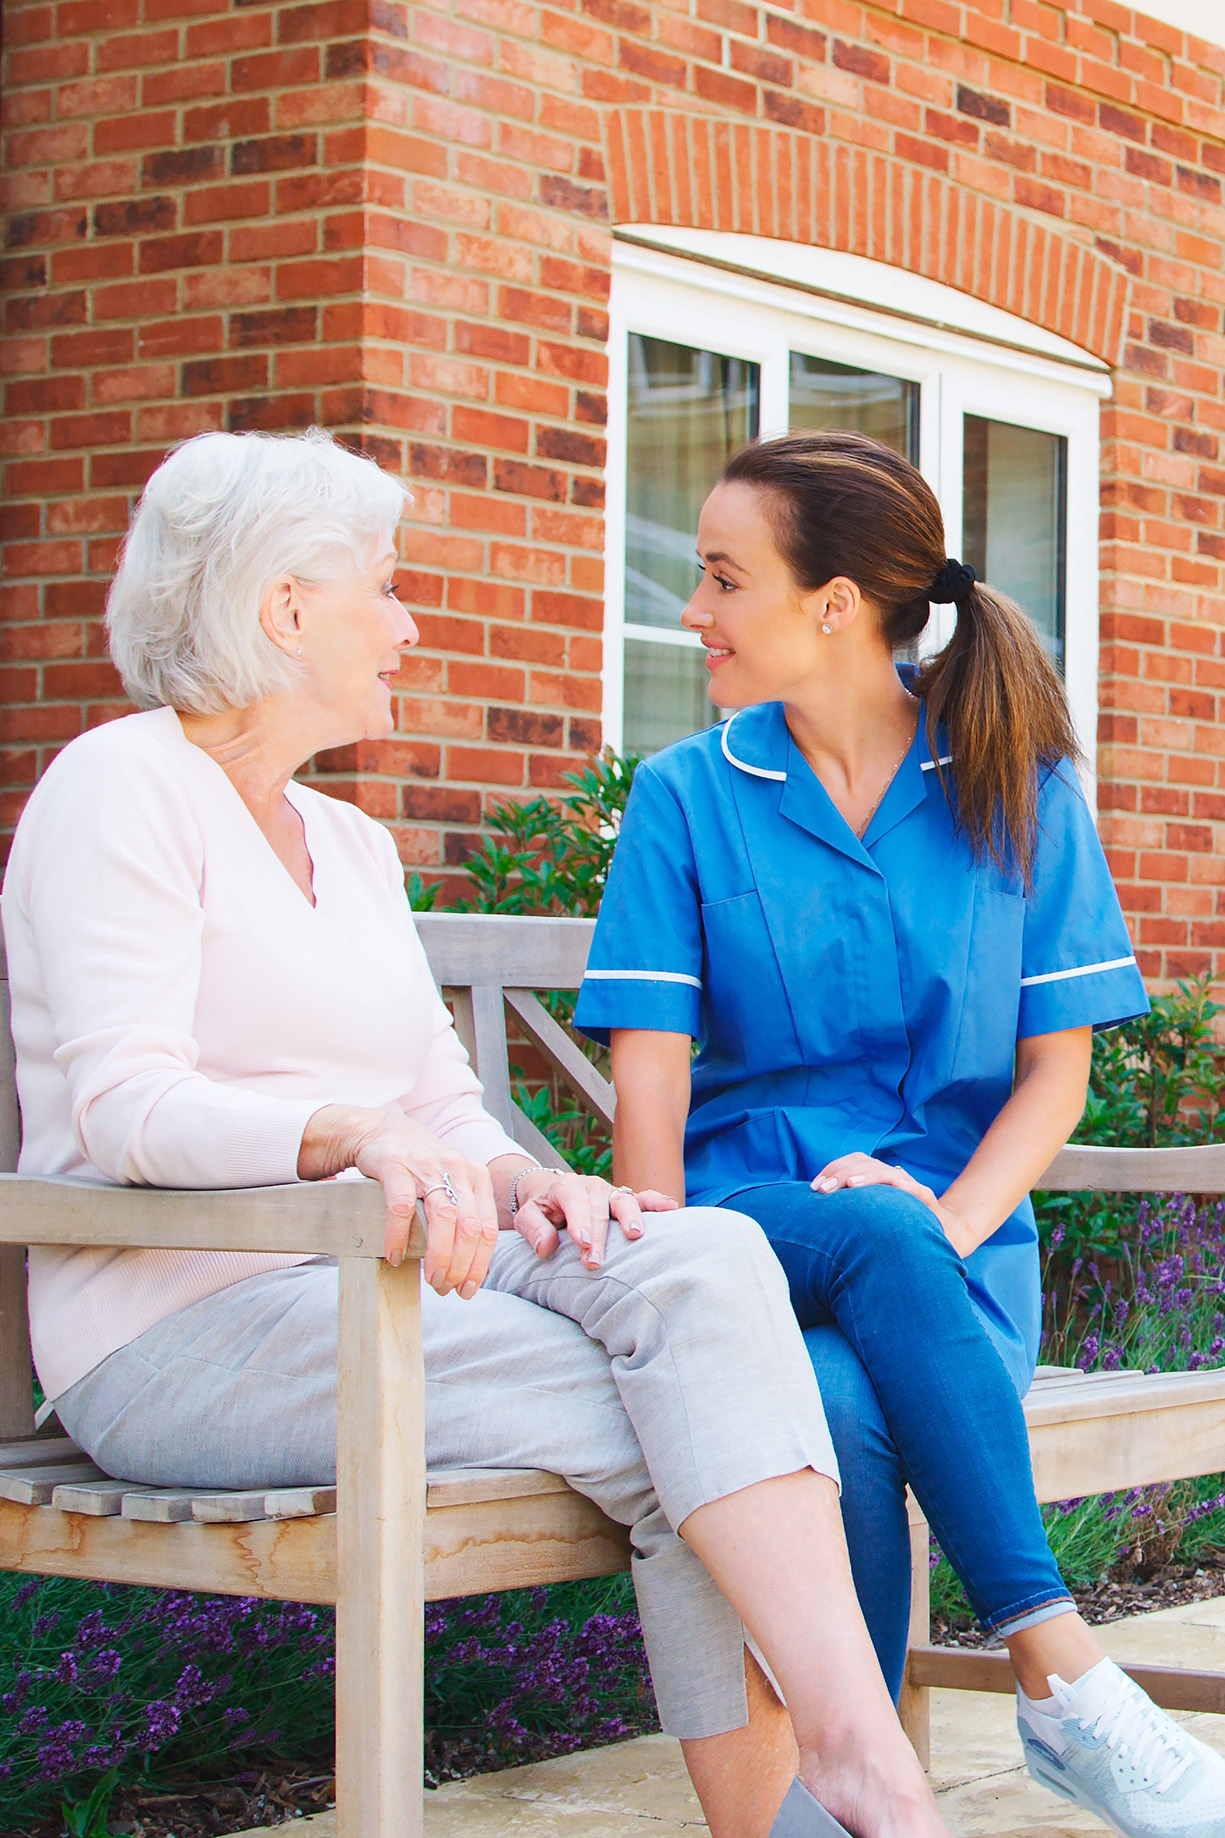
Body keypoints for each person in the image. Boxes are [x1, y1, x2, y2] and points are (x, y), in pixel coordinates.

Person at [2, 427, 948, 1838]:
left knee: (701, 1265)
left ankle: (854, 1767)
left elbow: (442, 1101)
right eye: (383, 589)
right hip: (179, 1324)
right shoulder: (120, 786)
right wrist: (342, 1130)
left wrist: (532, 1181)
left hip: (381, 1283)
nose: (407, 622)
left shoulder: (354, 841)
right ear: (284, 609)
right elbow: (127, 1107)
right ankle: (844, 1795)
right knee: (700, 1413)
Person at [575, 429, 1225, 1838]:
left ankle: (841, 1795)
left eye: (721, 577)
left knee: (848, 1399)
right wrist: (649, 1250)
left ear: (834, 605)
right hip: (741, 1237)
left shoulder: (1015, 781)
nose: (693, 612)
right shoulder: (686, 797)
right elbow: (650, 1095)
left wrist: (935, 1225)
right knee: (849, 1265)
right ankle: (1062, 1679)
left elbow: (1052, 1075)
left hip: (958, 1250)